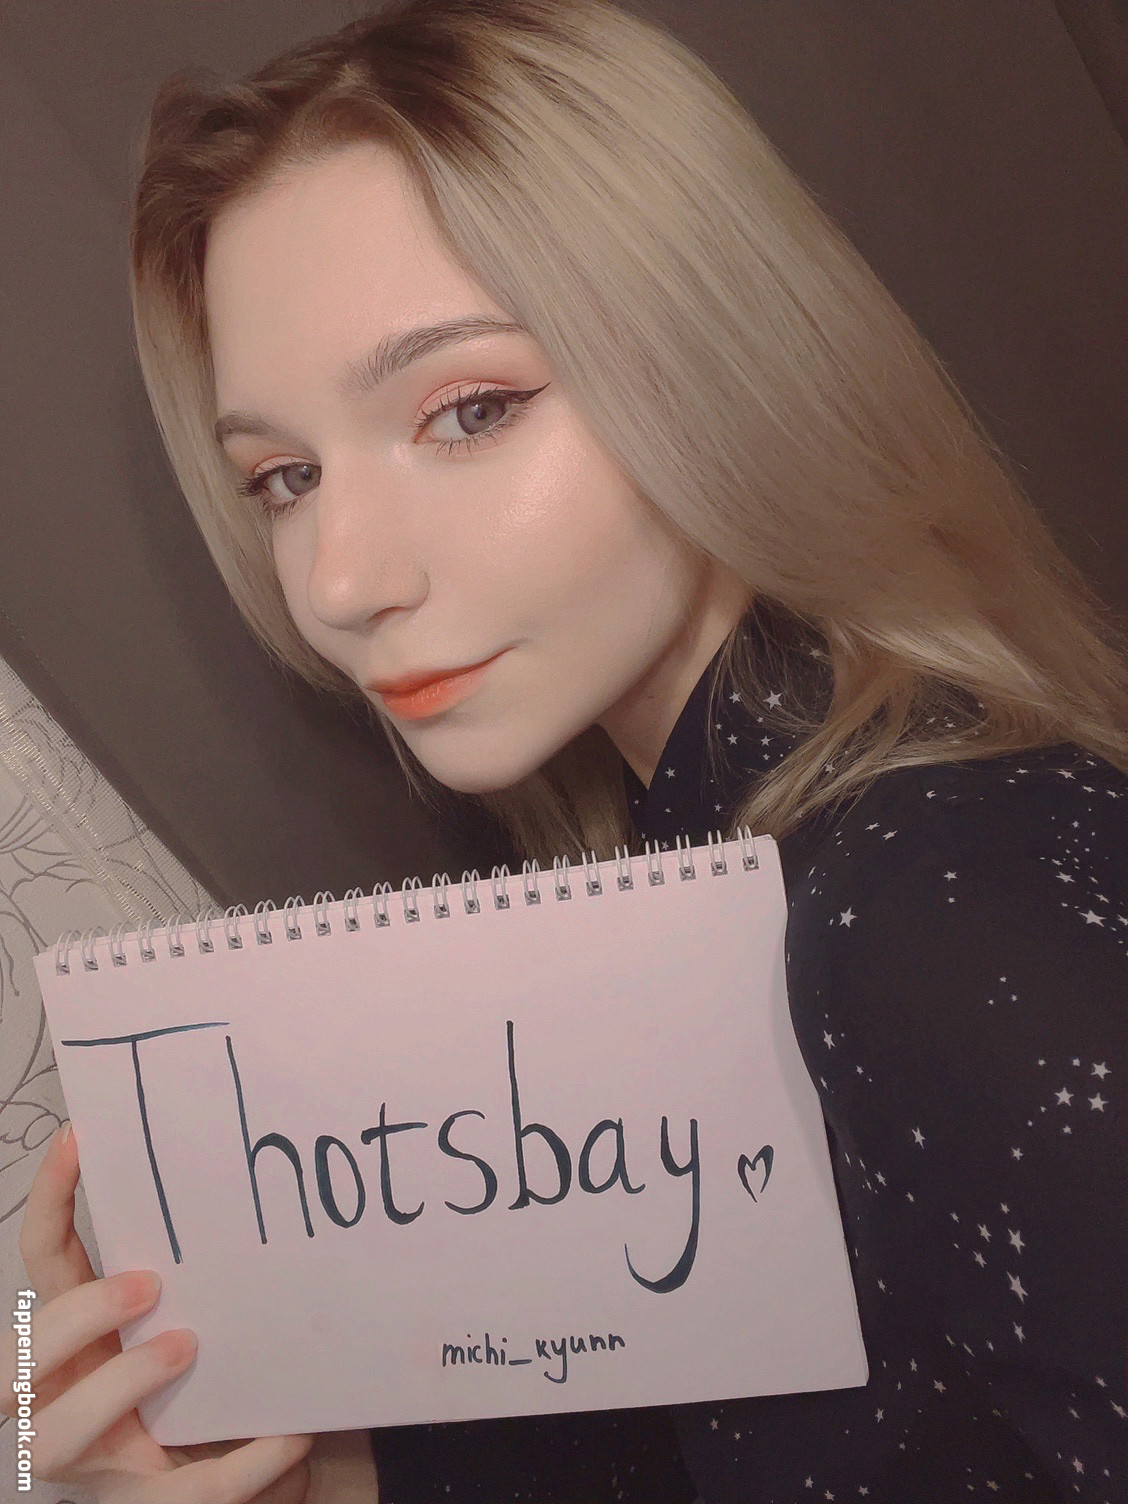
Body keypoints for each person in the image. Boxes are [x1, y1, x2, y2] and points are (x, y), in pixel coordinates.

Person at [3, 0, 1126, 1499]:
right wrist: (315, 1474)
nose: (339, 581)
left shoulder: (930, 910)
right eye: (283, 477)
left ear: (717, 355)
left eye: (469, 410)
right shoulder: (701, 870)